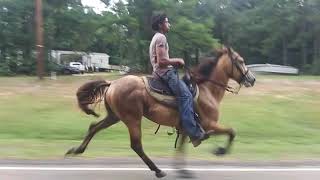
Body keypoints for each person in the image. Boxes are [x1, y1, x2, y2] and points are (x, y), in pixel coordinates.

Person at [149, 13, 211, 147]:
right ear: (160, 25)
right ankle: (194, 133)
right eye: (167, 22)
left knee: (187, 87)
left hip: (164, 72)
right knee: (186, 96)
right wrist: (177, 61)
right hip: (165, 74)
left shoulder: (157, 37)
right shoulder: (161, 38)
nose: (169, 24)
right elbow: (161, 62)